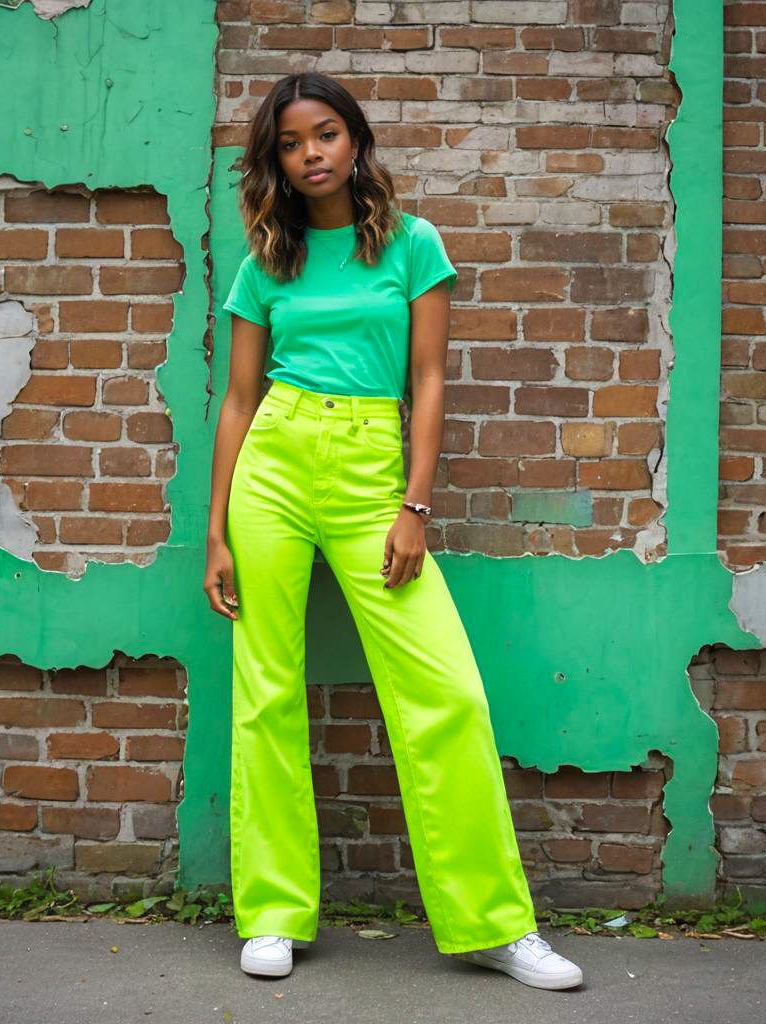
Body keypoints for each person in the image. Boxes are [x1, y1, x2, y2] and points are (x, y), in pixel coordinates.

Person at [203, 71, 583, 991]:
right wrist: (214, 531)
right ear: (277, 163)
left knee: (446, 692)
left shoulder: (412, 245)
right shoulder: (269, 266)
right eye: (290, 144)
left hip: (374, 463)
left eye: (324, 133)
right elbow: (240, 399)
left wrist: (414, 506)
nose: (310, 154)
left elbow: (431, 380)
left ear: (355, 139)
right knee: (265, 689)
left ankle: (493, 923)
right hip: (277, 462)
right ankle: (273, 912)